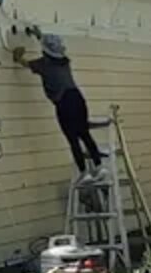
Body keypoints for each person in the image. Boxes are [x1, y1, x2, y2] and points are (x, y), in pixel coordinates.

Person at [12, 33, 106, 184]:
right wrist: (38, 35)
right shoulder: (65, 61)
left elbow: (24, 63)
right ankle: (99, 167)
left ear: (45, 51)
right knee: (85, 134)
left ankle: (84, 173)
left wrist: (18, 56)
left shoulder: (43, 64)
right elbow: (50, 45)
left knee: (72, 139)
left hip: (64, 102)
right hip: (77, 98)